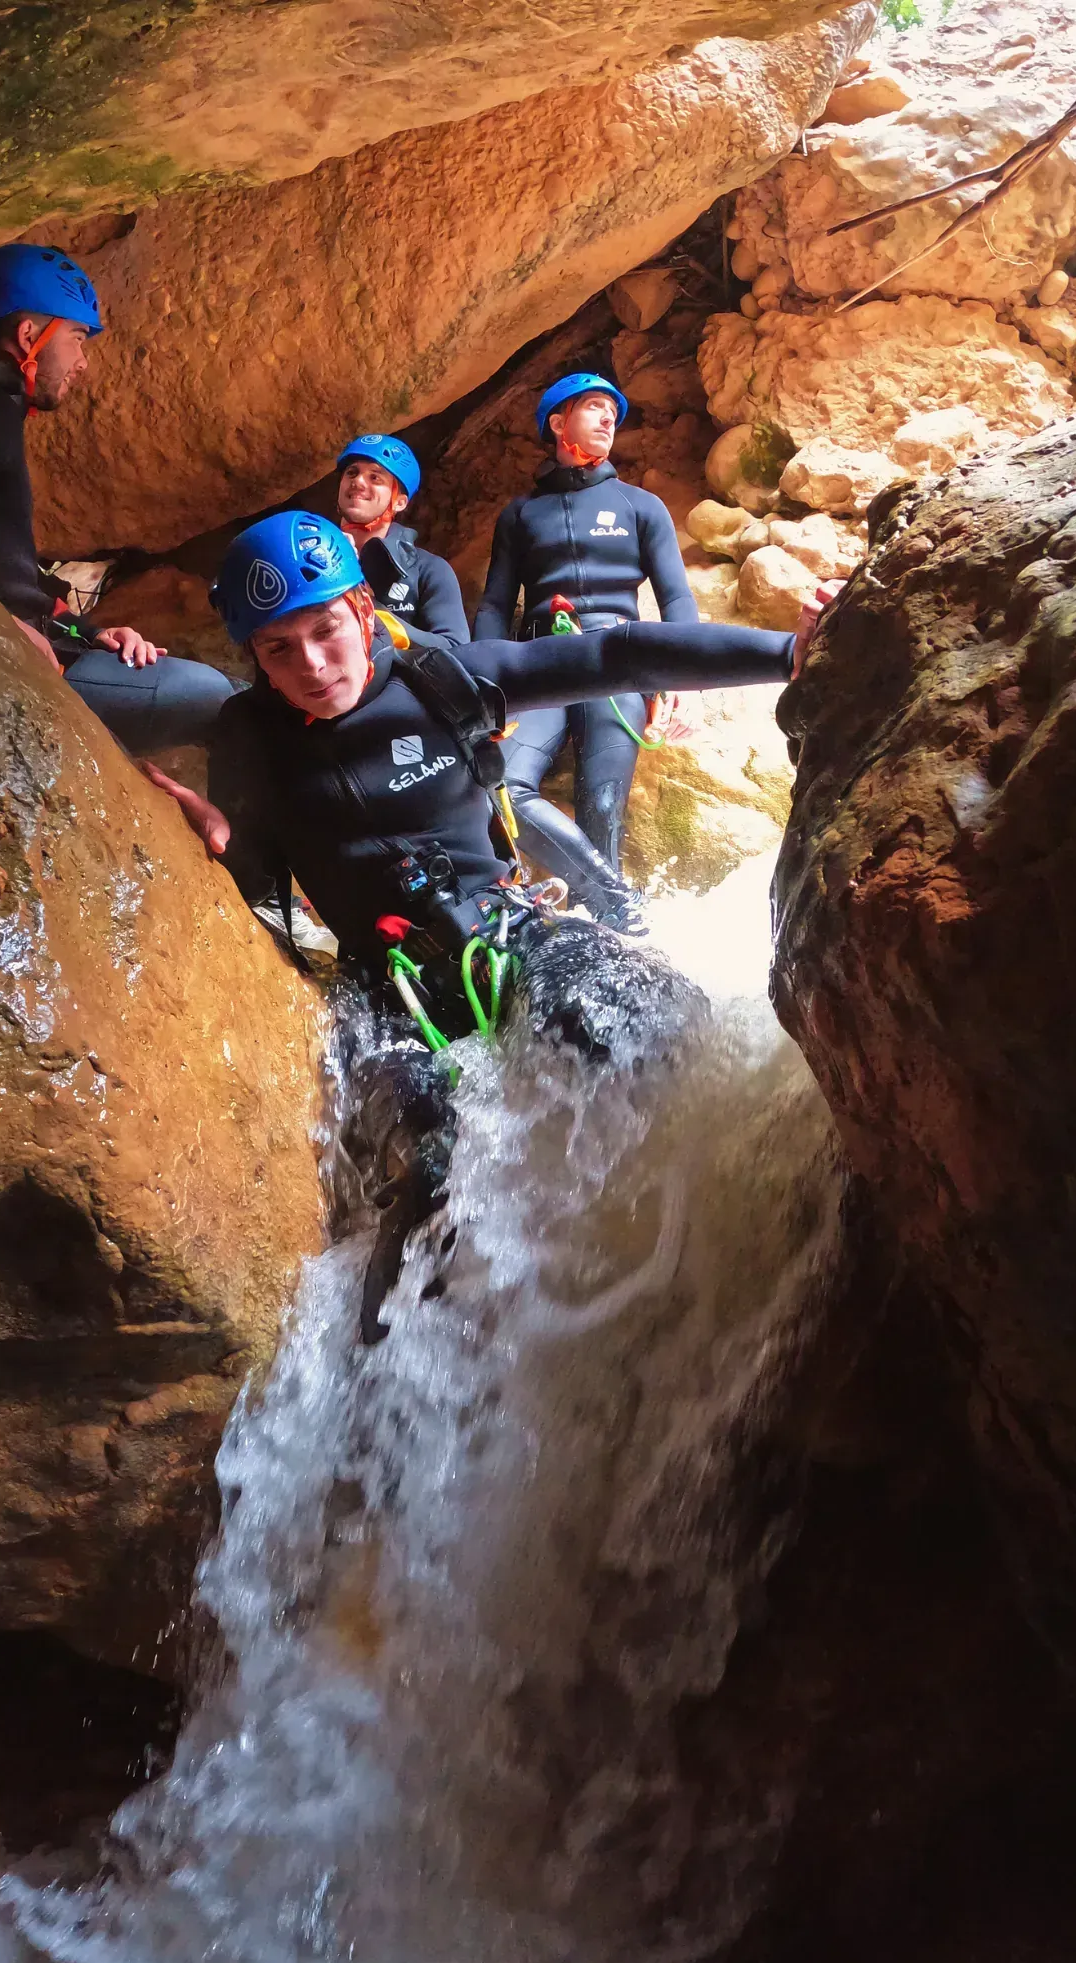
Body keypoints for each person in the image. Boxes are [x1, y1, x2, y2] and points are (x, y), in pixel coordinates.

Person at [145, 511, 822, 1341]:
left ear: (361, 611)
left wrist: (787, 654)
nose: (313, 666)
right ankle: (389, 1371)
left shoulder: (441, 679)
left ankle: (675, 1259)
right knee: (430, 1166)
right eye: (279, 649)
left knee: (646, 1016)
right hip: (383, 989)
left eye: (325, 630)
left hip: (500, 930)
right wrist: (217, 840)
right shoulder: (250, 737)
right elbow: (257, 876)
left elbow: (613, 654)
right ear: (254, 656)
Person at [0, 243, 235, 752]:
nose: (83, 362)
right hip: (6, 653)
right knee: (219, 698)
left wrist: (87, 630)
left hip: (40, 635)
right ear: (29, 335)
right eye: (77, 338)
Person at [473, 371, 704, 940]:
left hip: (616, 657)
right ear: (557, 422)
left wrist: (689, 684)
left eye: (613, 413)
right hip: (541, 660)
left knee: (601, 810)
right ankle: (618, 905)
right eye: (595, 408)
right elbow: (496, 604)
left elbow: (675, 596)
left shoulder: (639, 505)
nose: (608, 420)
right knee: (500, 788)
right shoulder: (521, 515)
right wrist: (481, 684)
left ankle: (610, 941)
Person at [334, 434, 469, 651]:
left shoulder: (428, 569)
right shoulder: (306, 557)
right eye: (352, 472)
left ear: (399, 502)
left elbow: (454, 647)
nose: (358, 481)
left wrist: (370, 608)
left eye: (375, 477)